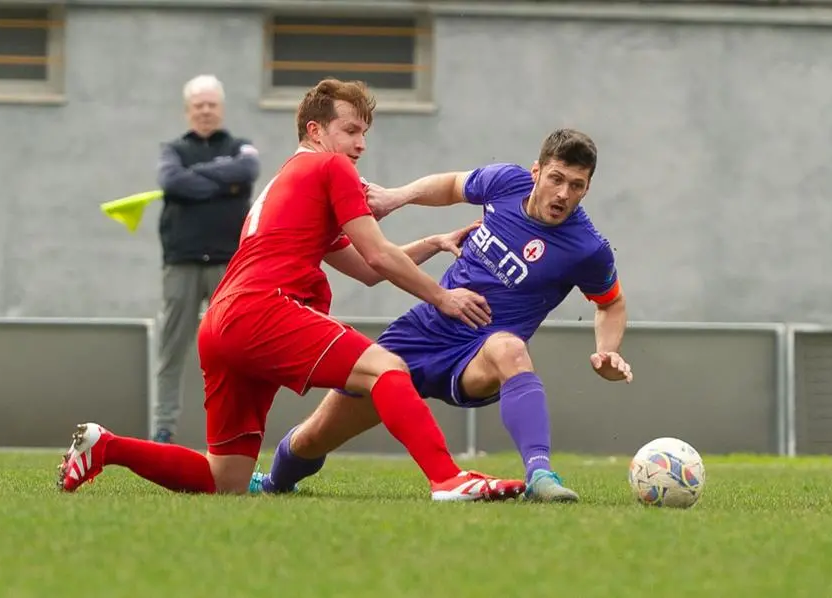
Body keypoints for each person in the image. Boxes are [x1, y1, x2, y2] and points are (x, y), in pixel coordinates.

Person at [57, 78, 525, 502]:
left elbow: (364, 268)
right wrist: (443, 297)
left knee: (227, 480)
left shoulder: (287, 179)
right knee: (388, 369)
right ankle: (447, 479)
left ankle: (107, 447)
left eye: (365, 133)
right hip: (263, 308)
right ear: (315, 131)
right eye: (350, 131)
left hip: (222, 324)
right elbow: (378, 255)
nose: (360, 144)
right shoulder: (330, 168)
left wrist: (433, 243)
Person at [256, 128, 633, 503]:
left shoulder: (587, 248)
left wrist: (608, 349)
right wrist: (396, 197)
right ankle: (274, 483)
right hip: (424, 329)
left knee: (510, 349)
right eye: (556, 179)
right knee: (314, 436)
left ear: (587, 189)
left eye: (577, 186)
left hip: (478, 352)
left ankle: (540, 474)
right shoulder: (505, 182)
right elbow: (452, 185)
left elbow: (611, 303)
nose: (564, 194)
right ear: (536, 172)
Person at [153, 74, 260, 444]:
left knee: (232, 348)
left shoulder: (240, 147)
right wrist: (221, 183)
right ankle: (164, 430)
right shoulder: (172, 151)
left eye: (211, 104)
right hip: (181, 263)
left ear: (221, 108)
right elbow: (171, 181)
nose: (205, 110)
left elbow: (247, 171)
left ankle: (235, 431)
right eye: (198, 105)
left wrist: (193, 178)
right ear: (188, 111)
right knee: (172, 349)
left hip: (228, 266)